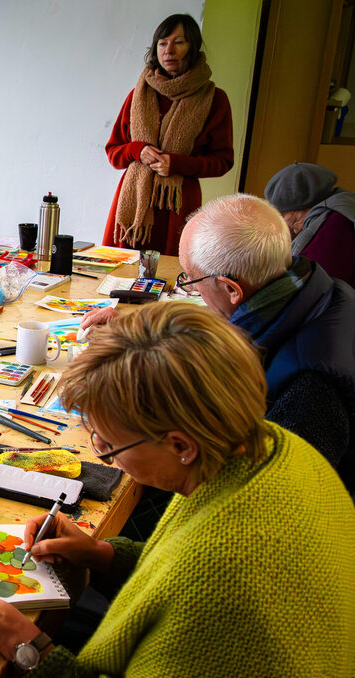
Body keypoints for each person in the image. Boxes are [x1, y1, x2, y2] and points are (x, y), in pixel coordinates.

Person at [0, 302, 355, 678]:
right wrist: (101, 554)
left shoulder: (224, 583)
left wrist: (18, 639)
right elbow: (178, 566)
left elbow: (201, 579)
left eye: (107, 444)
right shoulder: (276, 447)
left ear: (180, 444)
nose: (104, 455)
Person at [83, 194, 355, 489]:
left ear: (230, 289)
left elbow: (273, 497)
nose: (192, 288)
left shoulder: (311, 388)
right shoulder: (304, 287)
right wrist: (135, 336)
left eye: (190, 279)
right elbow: (240, 334)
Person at [102, 13, 233, 255]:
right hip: (133, 204)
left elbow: (223, 161)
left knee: (170, 276)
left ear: (192, 47)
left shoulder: (214, 99)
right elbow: (113, 152)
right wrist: (137, 150)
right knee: (120, 273)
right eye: (162, 43)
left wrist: (177, 163)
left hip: (177, 205)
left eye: (179, 42)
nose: (169, 50)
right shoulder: (138, 95)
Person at [264, 162, 355, 287]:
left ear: (302, 209)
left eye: (283, 215)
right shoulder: (339, 206)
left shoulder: (332, 228)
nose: (279, 222)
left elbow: (309, 289)